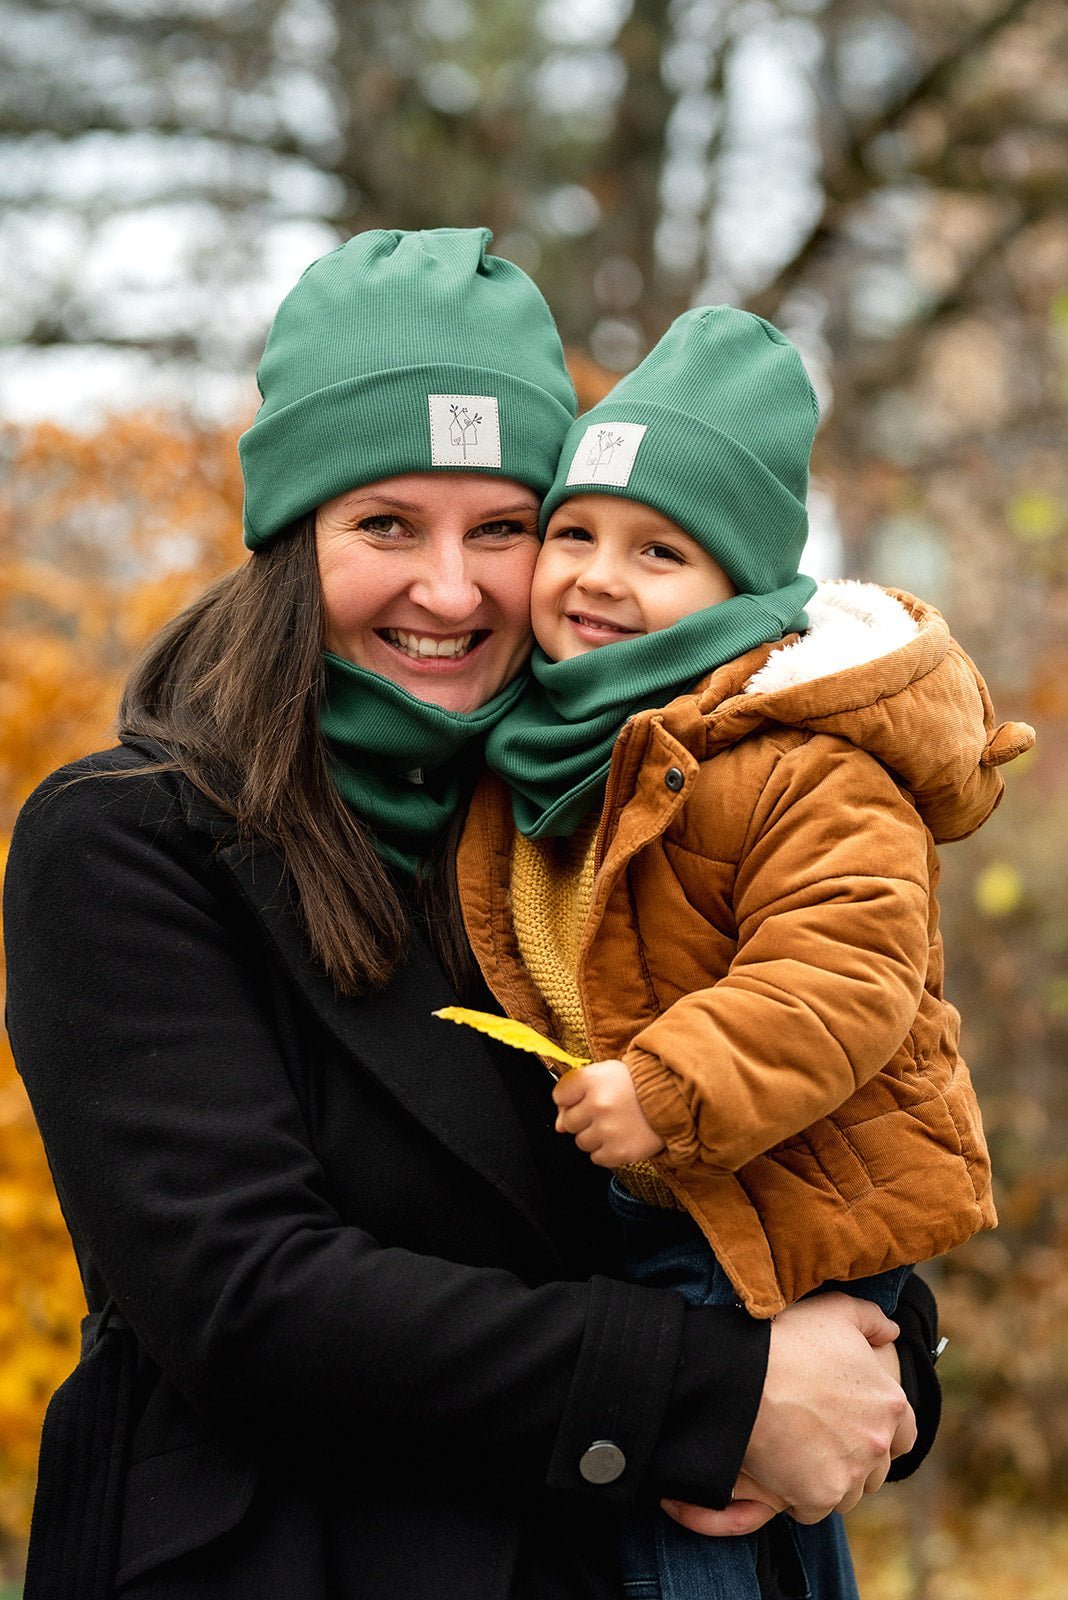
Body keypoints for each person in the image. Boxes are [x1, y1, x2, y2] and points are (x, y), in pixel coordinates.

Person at [5, 232, 936, 1600]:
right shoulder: (129, 840)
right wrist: (717, 1394)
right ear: (289, 539)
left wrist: (874, 1360)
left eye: (500, 529)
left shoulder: (603, 827)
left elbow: (804, 1135)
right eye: (386, 524)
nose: (450, 592)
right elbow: (245, 1299)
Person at [457, 306, 1035, 1598]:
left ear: (746, 592)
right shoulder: (553, 745)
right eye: (574, 533)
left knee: (700, 1527)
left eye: (659, 550)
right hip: (654, 1205)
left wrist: (671, 1088)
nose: (599, 577)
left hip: (766, 1197)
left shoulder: (805, 765)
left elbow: (846, 975)